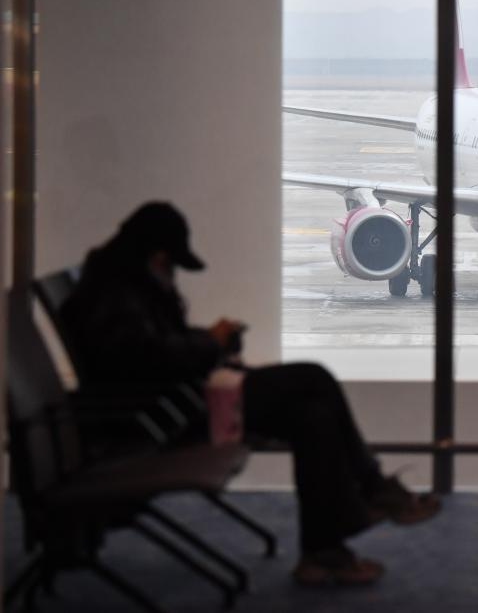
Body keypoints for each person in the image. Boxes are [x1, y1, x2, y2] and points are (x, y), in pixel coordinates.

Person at [61, 201, 440, 587]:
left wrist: (209, 344)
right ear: (155, 254)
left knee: (313, 416)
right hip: (169, 418)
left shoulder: (113, 287)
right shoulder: (118, 296)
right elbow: (147, 360)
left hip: (178, 406)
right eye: (168, 264)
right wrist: (212, 343)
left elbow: (152, 351)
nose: (170, 273)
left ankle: (325, 552)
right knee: (313, 378)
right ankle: (368, 496)